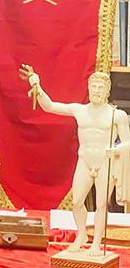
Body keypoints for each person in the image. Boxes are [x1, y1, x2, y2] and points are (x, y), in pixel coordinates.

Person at [21, 66, 130, 256]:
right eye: (93, 86)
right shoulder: (79, 110)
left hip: (105, 161)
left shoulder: (116, 115)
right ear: (88, 88)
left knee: (101, 204)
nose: (96, 91)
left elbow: (127, 142)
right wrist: (37, 86)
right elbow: (50, 106)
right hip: (85, 160)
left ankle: (97, 243)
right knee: (78, 202)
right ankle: (82, 234)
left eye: (100, 87)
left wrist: (117, 150)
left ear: (107, 90)